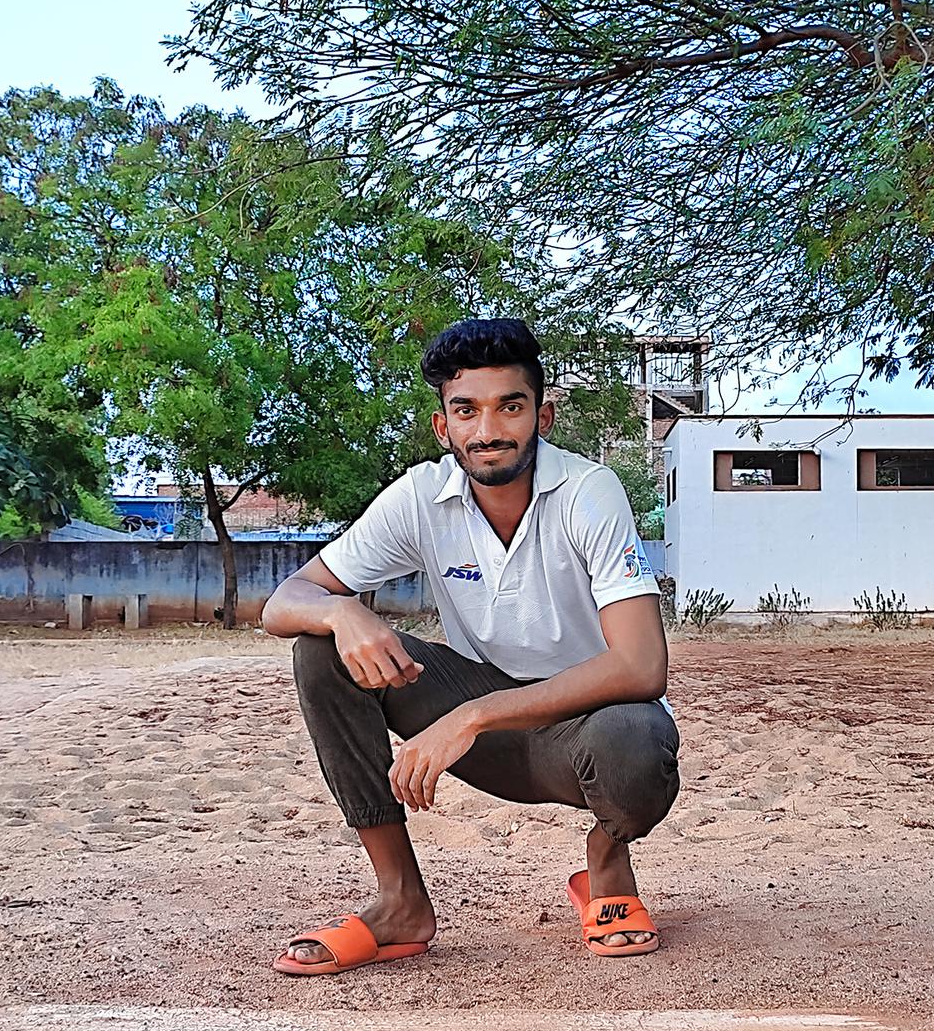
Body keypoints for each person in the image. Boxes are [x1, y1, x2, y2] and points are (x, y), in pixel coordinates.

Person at [262, 318, 679, 975]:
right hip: (487, 733)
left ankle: (605, 858)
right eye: (466, 410)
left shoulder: (587, 492)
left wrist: (471, 715)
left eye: (509, 407)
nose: (488, 430)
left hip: (583, 734)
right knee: (320, 648)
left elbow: (641, 664)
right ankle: (400, 901)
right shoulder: (422, 497)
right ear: (443, 426)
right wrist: (343, 611)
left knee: (637, 739)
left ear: (541, 414)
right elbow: (283, 602)